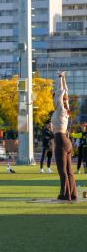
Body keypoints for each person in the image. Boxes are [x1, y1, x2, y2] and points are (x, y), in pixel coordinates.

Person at [52, 71, 77, 201]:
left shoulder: (61, 109)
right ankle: (72, 194)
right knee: (69, 171)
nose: (54, 98)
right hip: (66, 141)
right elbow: (65, 92)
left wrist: (60, 78)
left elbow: (62, 92)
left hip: (60, 141)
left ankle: (64, 195)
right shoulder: (66, 110)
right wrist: (64, 78)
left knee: (62, 172)